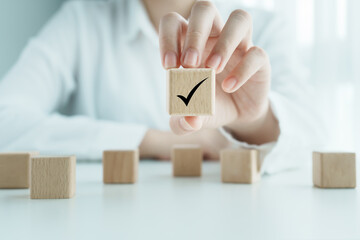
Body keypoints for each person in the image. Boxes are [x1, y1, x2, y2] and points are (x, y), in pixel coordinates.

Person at [0, 0, 324, 174]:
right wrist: (155, 141)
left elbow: (316, 141)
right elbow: (6, 119)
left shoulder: (265, 28)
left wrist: (252, 119)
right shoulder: (80, 21)